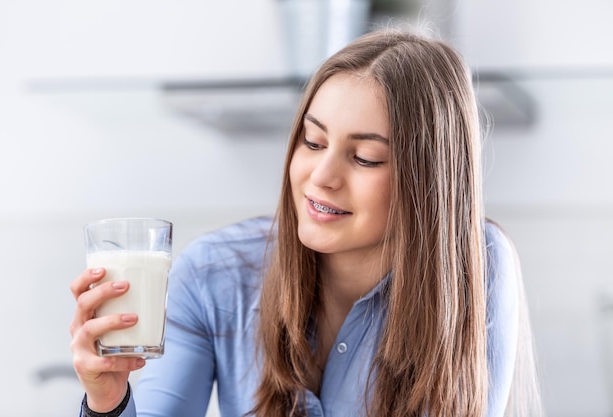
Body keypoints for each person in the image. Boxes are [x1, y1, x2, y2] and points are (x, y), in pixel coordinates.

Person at [69, 29, 543, 417]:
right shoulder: (213, 276)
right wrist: (108, 402)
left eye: (364, 157)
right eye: (312, 143)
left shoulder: (476, 266)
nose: (321, 177)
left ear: (430, 182)